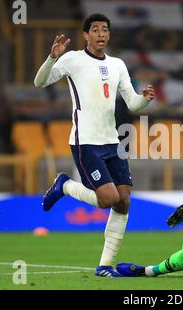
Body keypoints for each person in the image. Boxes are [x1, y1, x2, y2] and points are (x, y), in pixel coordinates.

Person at [33, 13, 155, 277]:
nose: (101, 33)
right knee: (108, 198)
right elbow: (39, 82)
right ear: (86, 35)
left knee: (123, 202)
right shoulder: (73, 59)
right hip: (85, 142)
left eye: (105, 30)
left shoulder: (118, 65)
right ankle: (64, 185)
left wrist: (144, 99)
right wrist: (52, 57)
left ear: (109, 35)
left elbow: (132, 103)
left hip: (112, 141)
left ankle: (104, 265)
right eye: (96, 29)